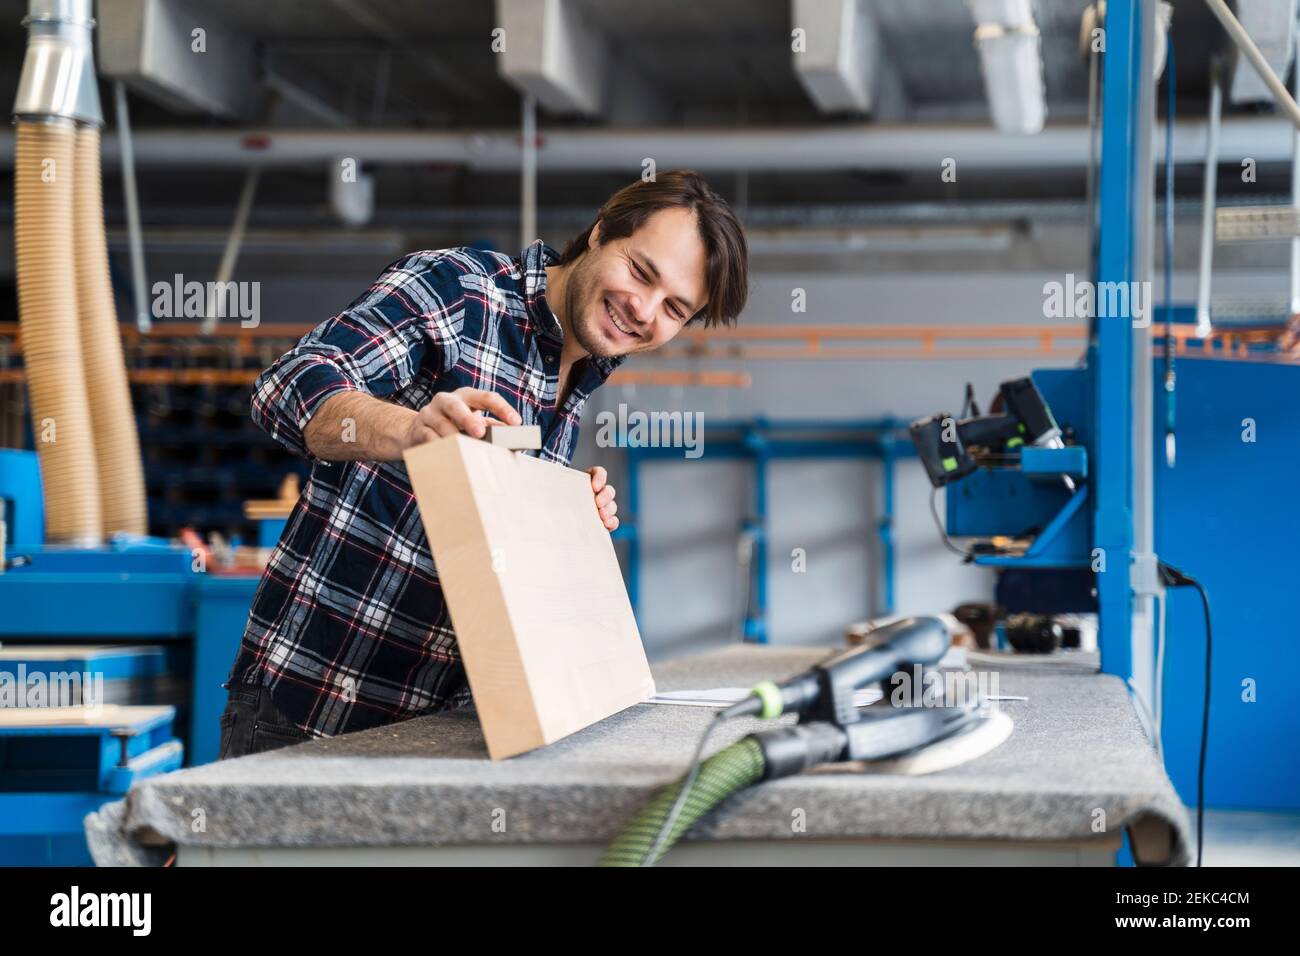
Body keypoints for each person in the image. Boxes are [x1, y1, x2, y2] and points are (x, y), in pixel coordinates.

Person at [217, 170, 749, 759]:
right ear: (600, 234)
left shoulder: (572, 387)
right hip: (311, 715)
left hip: (436, 735)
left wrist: (563, 525)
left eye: (674, 308)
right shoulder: (460, 292)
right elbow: (289, 384)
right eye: (641, 272)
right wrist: (410, 430)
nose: (643, 310)